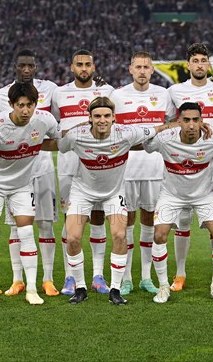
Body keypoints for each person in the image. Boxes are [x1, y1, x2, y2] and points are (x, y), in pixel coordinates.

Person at [54, 97, 178, 306]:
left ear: (114, 118)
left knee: (120, 235)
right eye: (97, 116)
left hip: (113, 193)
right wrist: (74, 128)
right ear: (90, 119)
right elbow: (62, 145)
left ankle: (116, 290)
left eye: (106, 116)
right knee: (73, 238)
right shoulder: (77, 135)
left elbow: (156, 129)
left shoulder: (127, 132)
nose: (102, 120)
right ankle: (81, 287)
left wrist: (180, 123)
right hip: (82, 192)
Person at [144, 102, 213, 304]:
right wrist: (167, 126)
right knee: (159, 234)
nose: (191, 125)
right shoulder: (164, 140)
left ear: (202, 121)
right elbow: (144, 143)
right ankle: (164, 287)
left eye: (196, 120)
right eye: (186, 120)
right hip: (171, 195)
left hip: (204, 195)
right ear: (179, 121)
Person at [0, 82, 61, 307]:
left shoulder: (45, 120)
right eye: (20, 105)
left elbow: (58, 141)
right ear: (11, 104)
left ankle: (31, 289)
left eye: (30, 105)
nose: (25, 110)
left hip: (23, 185)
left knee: (25, 232)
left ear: (36, 105)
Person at [0, 49, 60, 297]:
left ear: (36, 66)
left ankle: (48, 279)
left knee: (45, 224)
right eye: (22, 65)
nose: (26, 70)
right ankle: (17, 279)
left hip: (42, 168)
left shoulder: (51, 89)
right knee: (15, 227)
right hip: (15, 172)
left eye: (30, 65)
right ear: (15, 66)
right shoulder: (1, 95)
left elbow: (58, 129)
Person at [110, 51, 176, 295]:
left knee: (149, 222)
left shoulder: (163, 94)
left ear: (151, 70)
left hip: (156, 169)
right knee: (127, 224)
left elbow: (171, 123)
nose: (142, 71)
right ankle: (126, 278)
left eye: (146, 67)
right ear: (130, 69)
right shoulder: (117, 95)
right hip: (125, 169)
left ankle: (146, 277)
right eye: (137, 67)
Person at [167, 43, 213, 292]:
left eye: (204, 60)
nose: (200, 64)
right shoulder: (175, 91)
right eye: (195, 60)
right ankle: (180, 273)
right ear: (188, 64)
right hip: (183, 165)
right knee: (183, 220)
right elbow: (171, 122)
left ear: (208, 64)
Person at [51, 49, 114, 296]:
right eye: (80, 64)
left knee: (98, 217)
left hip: (97, 164)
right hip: (68, 165)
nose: (84, 68)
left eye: (88, 64)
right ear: (71, 67)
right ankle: (70, 276)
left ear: (94, 67)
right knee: (72, 220)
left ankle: (98, 274)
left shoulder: (106, 92)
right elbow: (57, 124)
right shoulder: (60, 93)